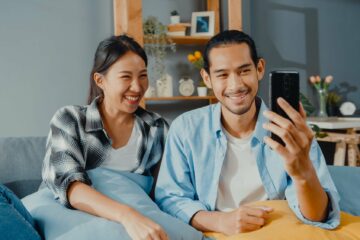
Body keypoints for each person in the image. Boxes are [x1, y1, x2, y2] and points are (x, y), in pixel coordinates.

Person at [155, 30, 340, 235]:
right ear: (207, 78)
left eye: (244, 71)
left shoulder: (291, 131)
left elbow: (320, 216)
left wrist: (303, 173)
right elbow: (170, 198)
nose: (236, 85)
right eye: (222, 75)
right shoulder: (186, 129)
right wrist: (220, 222)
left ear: (259, 69)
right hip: (217, 232)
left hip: (279, 232)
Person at [42, 35, 170, 240]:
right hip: (76, 216)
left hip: (138, 218)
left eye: (143, 75)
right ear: (100, 80)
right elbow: (70, 186)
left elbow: (162, 195)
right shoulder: (70, 119)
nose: (137, 87)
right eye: (126, 77)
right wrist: (128, 216)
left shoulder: (157, 129)